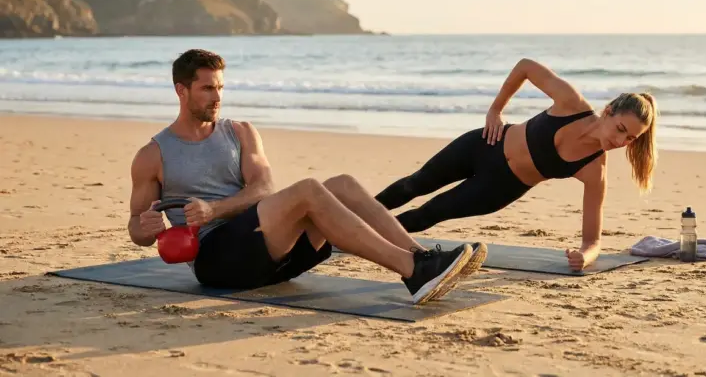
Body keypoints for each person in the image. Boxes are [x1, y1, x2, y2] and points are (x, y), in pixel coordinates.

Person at [127, 49, 487, 305]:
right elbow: (136, 229)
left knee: (342, 184)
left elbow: (263, 188)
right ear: (181, 90)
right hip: (218, 262)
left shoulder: (240, 132)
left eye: (220, 87)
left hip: (273, 253)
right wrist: (146, 228)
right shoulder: (153, 154)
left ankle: (422, 258)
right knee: (309, 191)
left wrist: (214, 208)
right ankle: (413, 271)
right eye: (207, 88)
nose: (217, 96)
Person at [375, 58, 659, 272]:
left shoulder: (594, 170)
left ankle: (363, 239)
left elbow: (593, 240)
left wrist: (584, 256)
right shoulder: (571, 103)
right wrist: (496, 109)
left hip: (497, 188)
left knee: (428, 213)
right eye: (621, 129)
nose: (621, 141)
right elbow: (525, 66)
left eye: (631, 139)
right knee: (414, 184)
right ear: (608, 112)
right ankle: (343, 218)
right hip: (485, 144)